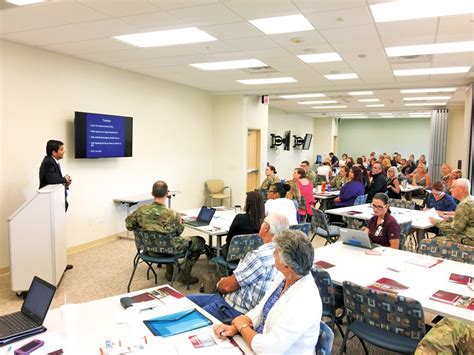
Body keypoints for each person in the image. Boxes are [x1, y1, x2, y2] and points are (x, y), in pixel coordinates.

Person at [213, 230, 322, 354]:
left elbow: (269, 350)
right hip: (258, 341)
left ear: (287, 266)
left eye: (275, 252)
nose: (273, 253)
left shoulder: (303, 301)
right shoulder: (285, 277)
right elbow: (261, 309)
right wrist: (235, 327)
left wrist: (242, 327)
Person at [187, 213, 290, 322]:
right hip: (245, 306)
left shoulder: (258, 256)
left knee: (189, 317)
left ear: (265, 228)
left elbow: (227, 287)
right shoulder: (288, 254)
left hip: (233, 309)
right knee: (187, 301)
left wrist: (220, 283)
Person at [125, 180, 206, 284]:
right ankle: (185, 275)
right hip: (168, 249)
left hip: (149, 249)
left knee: (166, 238)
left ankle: (170, 272)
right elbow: (178, 233)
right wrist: (180, 223)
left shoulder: (140, 211)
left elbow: (129, 225)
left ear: (152, 194)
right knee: (199, 241)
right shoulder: (173, 214)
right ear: (167, 194)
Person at [429, 178, 474, 246]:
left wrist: (436, 222)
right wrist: (450, 219)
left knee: (430, 242)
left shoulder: (463, 205)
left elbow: (455, 229)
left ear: (461, 189)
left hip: (468, 239)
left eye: (453, 187)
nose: (450, 190)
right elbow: (466, 221)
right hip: (469, 235)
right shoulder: (471, 199)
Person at [223, 191, 265, 255]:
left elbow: (228, 239)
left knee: (223, 247)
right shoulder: (265, 221)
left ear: (248, 203)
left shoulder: (240, 218)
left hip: (234, 255)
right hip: (255, 255)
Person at [39, 139, 72, 211]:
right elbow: (52, 180)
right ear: (54, 152)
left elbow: (55, 180)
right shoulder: (49, 162)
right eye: (61, 149)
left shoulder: (52, 161)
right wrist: (64, 179)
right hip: (50, 203)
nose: (64, 151)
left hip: (55, 202)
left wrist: (66, 183)